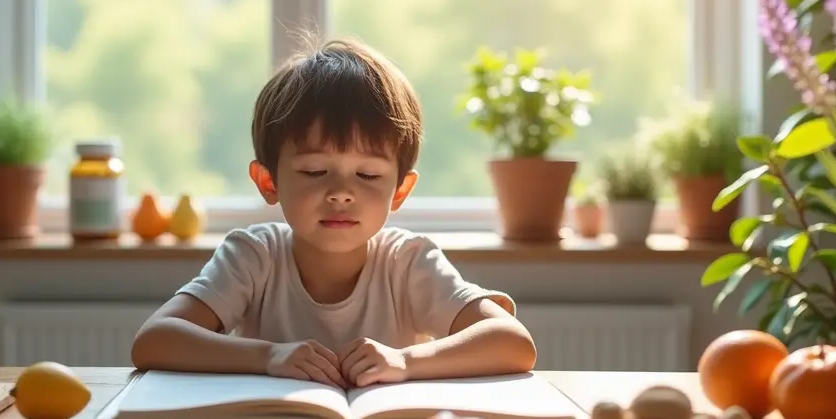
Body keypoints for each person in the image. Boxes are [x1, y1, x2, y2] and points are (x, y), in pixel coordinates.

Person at [129, 36, 537, 388]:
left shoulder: (409, 261)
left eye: (367, 174)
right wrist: (267, 357)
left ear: (400, 191)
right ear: (268, 182)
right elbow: (154, 340)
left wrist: (406, 362)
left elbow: (513, 342)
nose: (342, 193)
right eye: (314, 171)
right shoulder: (252, 256)